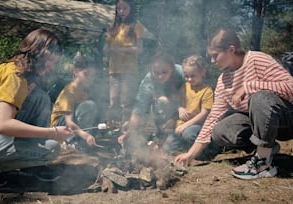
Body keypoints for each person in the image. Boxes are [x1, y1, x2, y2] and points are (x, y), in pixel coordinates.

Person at [175, 28, 293, 180]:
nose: (212, 61)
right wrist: (190, 155)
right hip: (262, 125)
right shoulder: (224, 80)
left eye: (215, 55)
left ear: (231, 49)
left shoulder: (257, 60)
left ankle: (263, 163)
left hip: (287, 120)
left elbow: (290, 86)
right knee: (220, 130)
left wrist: (249, 86)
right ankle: (267, 147)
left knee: (258, 97)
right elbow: (212, 118)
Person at [0, 28, 73, 187]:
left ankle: (31, 167)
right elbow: (3, 125)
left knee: (40, 97)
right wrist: (51, 132)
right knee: (51, 149)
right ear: (37, 53)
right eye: (50, 62)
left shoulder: (19, 72)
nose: (51, 68)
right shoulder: (15, 76)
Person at [118, 52, 185, 158]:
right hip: (163, 122)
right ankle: (163, 137)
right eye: (156, 72)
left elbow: (195, 100)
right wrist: (130, 132)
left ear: (171, 68)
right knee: (159, 102)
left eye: (164, 72)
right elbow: (138, 110)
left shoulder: (182, 73)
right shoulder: (148, 81)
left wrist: (175, 118)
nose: (160, 76)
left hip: (185, 118)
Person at [104, 0, 144, 125]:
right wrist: (107, 49)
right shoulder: (113, 27)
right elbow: (106, 47)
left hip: (129, 70)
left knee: (126, 102)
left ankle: (125, 129)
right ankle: (111, 128)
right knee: (113, 100)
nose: (121, 11)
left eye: (124, 8)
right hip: (114, 69)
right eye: (119, 8)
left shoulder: (136, 26)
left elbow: (139, 49)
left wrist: (121, 49)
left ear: (131, 8)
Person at [50, 54, 98, 150]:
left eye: (93, 76)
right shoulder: (69, 91)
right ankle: (69, 142)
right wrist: (86, 136)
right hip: (60, 126)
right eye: (86, 74)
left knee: (90, 106)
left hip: (74, 125)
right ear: (76, 72)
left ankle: (79, 141)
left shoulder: (85, 90)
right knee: (89, 106)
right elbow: (69, 122)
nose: (90, 78)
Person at [174, 55, 217, 157]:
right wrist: (180, 109)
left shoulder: (207, 91)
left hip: (198, 125)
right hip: (181, 124)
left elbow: (204, 113)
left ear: (202, 72)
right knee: (170, 143)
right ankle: (186, 146)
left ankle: (209, 149)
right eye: (186, 76)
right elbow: (179, 103)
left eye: (193, 76)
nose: (189, 79)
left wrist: (186, 125)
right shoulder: (184, 87)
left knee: (188, 134)